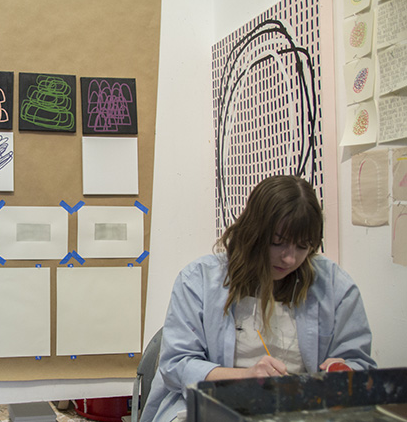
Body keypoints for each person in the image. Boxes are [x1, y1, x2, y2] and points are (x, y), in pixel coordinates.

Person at [140, 175, 377, 422]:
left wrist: (345, 372)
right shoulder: (198, 280)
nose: (290, 259)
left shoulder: (334, 285)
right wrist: (247, 377)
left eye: (303, 246)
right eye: (278, 243)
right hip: (215, 404)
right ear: (253, 232)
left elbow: (361, 366)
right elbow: (176, 366)